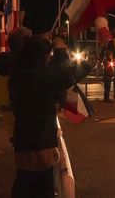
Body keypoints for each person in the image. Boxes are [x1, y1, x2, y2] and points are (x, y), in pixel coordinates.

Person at [9, 35, 95, 198]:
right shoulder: (40, 76)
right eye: (47, 55)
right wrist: (83, 62)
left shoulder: (18, 74)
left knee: (23, 181)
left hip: (22, 138)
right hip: (41, 139)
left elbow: (59, 75)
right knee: (43, 187)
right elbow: (65, 76)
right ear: (41, 55)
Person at [0, 26, 31, 141]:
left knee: (12, 131)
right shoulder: (27, 59)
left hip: (4, 98)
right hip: (22, 100)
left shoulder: (2, 58)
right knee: (25, 134)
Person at [48, 36, 70, 112]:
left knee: (58, 91)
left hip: (56, 75)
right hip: (61, 75)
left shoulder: (55, 54)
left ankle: (60, 105)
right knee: (62, 91)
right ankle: (62, 105)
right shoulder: (63, 54)